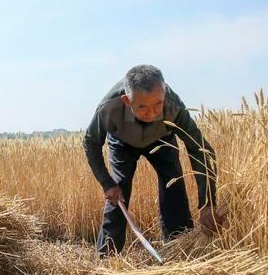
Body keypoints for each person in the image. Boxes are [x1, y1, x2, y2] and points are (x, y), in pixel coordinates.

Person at [84, 65, 221, 256]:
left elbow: (200, 149)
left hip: (162, 139)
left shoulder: (175, 107)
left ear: (164, 91)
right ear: (126, 101)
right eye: (142, 107)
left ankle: (178, 251)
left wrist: (208, 202)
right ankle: (107, 256)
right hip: (122, 142)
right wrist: (107, 184)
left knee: (174, 185)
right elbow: (90, 142)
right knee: (118, 193)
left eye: (158, 104)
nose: (153, 113)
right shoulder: (108, 108)